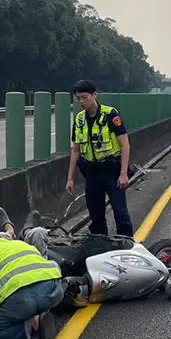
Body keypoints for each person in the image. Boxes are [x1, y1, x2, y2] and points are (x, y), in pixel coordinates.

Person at [0, 207, 64, 339]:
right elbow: (9, 233)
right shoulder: (16, 243)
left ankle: (33, 325)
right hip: (53, 292)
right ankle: (42, 313)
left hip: (24, 301)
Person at [65, 79, 134, 238]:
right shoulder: (79, 119)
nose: (81, 101)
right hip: (91, 173)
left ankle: (127, 246)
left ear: (94, 95)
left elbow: (125, 144)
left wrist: (123, 173)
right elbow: (76, 150)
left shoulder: (110, 115)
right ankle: (100, 247)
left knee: (120, 212)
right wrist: (70, 178)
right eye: (78, 98)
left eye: (84, 97)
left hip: (111, 170)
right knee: (95, 215)